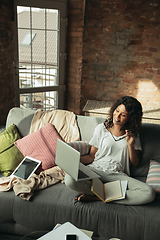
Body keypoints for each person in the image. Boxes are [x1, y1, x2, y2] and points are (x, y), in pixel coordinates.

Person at [65, 96, 155, 205]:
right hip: (95, 171)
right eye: (117, 111)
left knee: (148, 193)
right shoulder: (101, 129)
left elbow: (135, 163)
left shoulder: (133, 135)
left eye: (123, 115)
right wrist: (72, 160)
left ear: (130, 118)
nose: (117, 116)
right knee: (69, 179)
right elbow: (91, 157)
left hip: (117, 176)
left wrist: (130, 144)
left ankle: (97, 197)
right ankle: (109, 194)